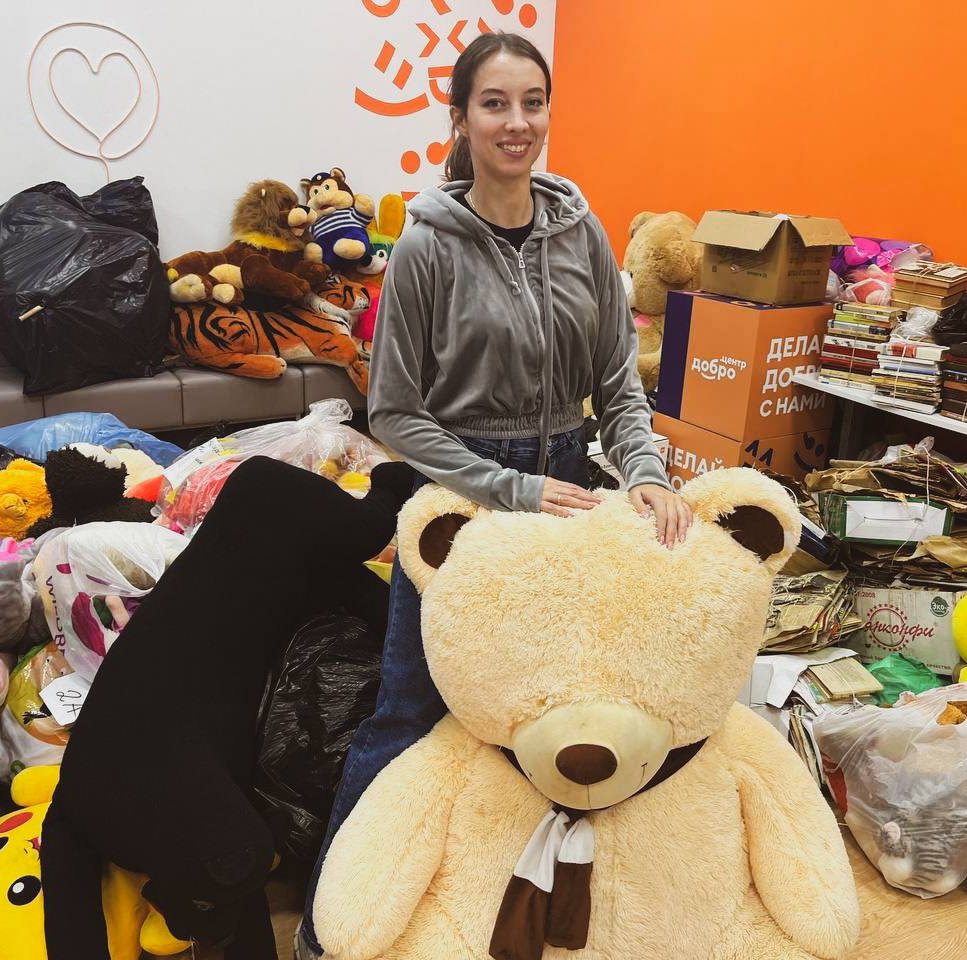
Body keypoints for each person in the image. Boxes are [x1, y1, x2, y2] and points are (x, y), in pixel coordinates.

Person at [296, 30, 693, 958]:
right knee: (409, 710)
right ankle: (327, 927)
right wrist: (506, 485)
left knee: (552, 715)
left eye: (533, 102)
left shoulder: (582, 232)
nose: (518, 123)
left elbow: (617, 386)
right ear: (462, 119)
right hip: (463, 496)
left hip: (570, 492)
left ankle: (504, 920)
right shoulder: (425, 247)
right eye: (495, 104)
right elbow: (395, 413)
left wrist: (646, 474)